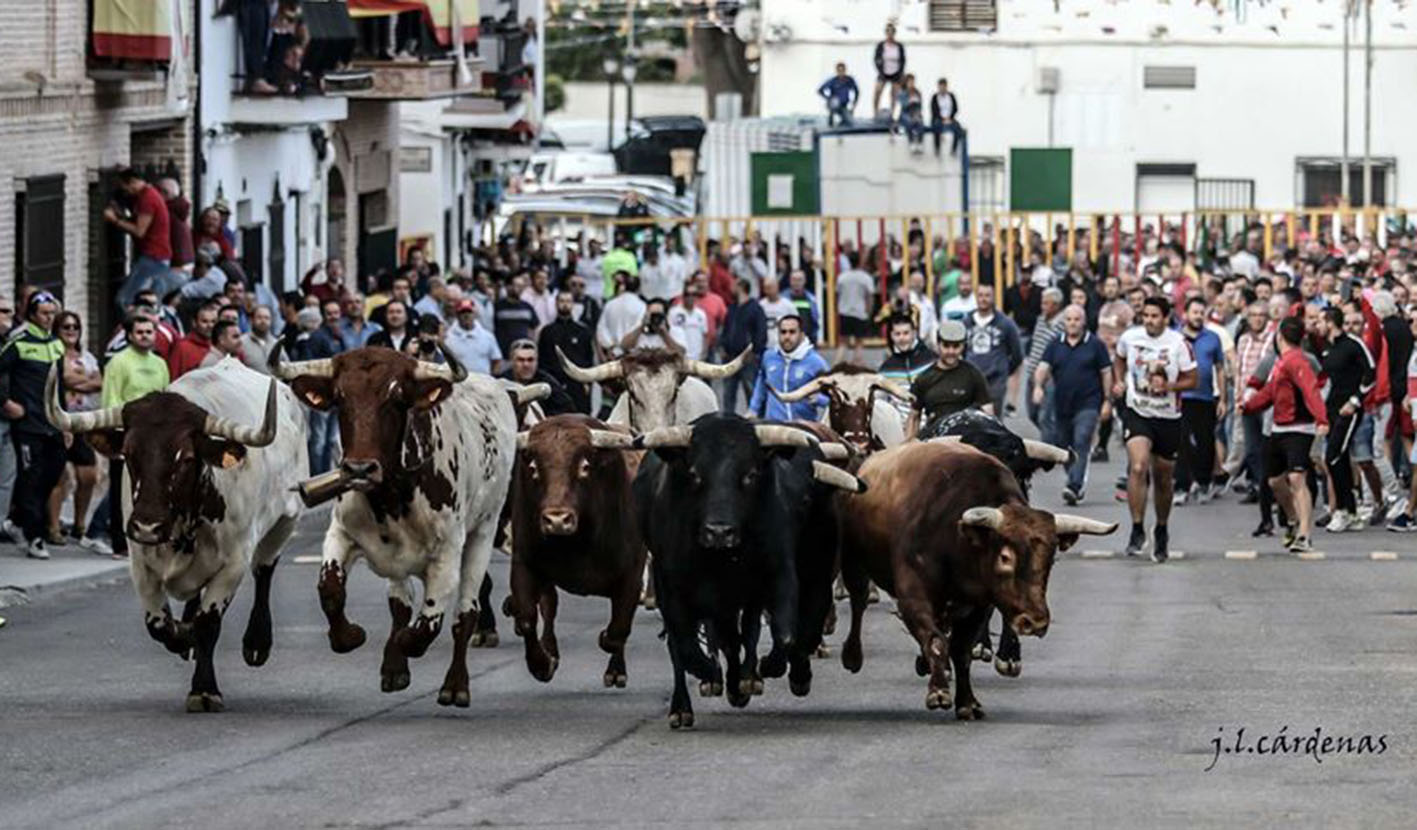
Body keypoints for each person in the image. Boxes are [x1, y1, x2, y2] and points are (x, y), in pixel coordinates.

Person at [1114, 296, 1199, 562]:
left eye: (1154, 316)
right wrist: (1119, 382)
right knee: (1138, 466)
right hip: (1138, 410)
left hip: (1168, 417)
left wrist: (1170, 387)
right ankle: (1137, 527)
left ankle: (1161, 528)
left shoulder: (1178, 344)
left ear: (1165, 318)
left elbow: (1193, 379)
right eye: (1146, 316)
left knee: (1163, 477)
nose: (1149, 321)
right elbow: (1119, 357)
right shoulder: (1131, 337)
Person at [1242, 316, 1329, 552]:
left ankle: (1304, 534)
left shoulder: (1298, 361)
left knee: (1297, 478)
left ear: (1279, 336)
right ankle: (1292, 520)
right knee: (1274, 481)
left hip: (1299, 428)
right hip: (1278, 428)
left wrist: (1321, 418)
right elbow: (1271, 391)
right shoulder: (1281, 362)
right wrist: (1249, 406)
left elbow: (1311, 390)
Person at [0, 292, 65, 559]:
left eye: (52, 313)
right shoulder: (18, 342)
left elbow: (59, 387)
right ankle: (34, 536)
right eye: (44, 313)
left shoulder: (56, 344)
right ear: (32, 315)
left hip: (53, 423)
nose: (49, 318)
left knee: (53, 473)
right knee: (30, 477)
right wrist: (5, 403)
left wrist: (66, 423)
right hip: (27, 425)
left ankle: (17, 519)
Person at [99, 314, 170, 559]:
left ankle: (147, 539)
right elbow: (111, 400)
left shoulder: (160, 363)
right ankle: (119, 543)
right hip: (128, 437)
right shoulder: (118, 362)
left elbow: (165, 399)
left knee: (152, 488)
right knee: (121, 490)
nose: (145, 336)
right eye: (139, 332)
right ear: (129, 335)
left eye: (149, 332)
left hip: (156, 441)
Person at [1034, 305, 1112, 504]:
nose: (1073, 323)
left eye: (1077, 319)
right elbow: (1043, 367)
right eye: (1069, 319)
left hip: (1089, 402)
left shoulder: (1095, 345)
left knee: (1082, 439)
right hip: (1062, 405)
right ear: (1064, 322)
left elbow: (1106, 373)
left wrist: (1107, 401)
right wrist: (1038, 386)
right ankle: (1074, 477)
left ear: (1083, 321)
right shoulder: (1055, 344)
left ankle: (1074, 484)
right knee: (1064, 446)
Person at [47, 312, 106, 552]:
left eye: (75, 327)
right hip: (61, 421)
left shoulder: (88, 356)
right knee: (60, 478)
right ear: (57, 330)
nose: (71, 330)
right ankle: (53, 527)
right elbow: (62, 378)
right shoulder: (54, 352)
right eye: (66, 327)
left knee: (88, 476)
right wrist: (84, 379)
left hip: (84, 422)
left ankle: (80, 524)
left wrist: (76, 380)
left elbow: (100, 381)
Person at [1319, 305, 1376, 533]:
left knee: (1332, 456)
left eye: (1321, 321)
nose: (1318, 326)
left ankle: (1342, 510)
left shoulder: (1353, 344)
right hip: (1331, 410)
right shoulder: (1327, 348)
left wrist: (1355, 400)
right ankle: (1350, 512)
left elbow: (1370, 372)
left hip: (1348, 410)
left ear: (1331, 322)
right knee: (1337, 459)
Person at [1174, 296, 1228, 504]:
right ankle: (1181, 486)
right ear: (1185, 314)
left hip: (1205, 397)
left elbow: (1220, 369)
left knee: (1205, 442)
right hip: (1180, 397)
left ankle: (1204, 482)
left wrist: (1223, 399)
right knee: (1181, 442)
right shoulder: (1175, 337)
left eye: (1201, 312)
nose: (1198, 316)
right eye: (1194, 312)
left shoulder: (1213, 338)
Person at [907, 320, 991, 439]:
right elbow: (914, 417)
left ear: (963, 346)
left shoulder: (973, 374)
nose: (951, 351)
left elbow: (988, 411)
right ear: (938, 344)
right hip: (934, 439)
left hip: (966, 440)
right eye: (946, 345)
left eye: (956, 346)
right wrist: (908, 447)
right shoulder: (924, 378)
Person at [105, 168, 172, 311]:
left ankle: (131, 329)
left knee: (125, 300)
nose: (125, 192)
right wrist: (122, 216)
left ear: (133, 182)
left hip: (153, 257)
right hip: (157, 258)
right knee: (148, 302)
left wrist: (115, 220)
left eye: (125, 187)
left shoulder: (147, 199)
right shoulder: (148, 196)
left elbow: (139, 230)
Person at [751, 314, 829, 422]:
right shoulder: (769, 357)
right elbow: (761, 385)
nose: (787, 336)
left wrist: (819, 399)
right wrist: (753, 409)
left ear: (801, 334)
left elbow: (835, 397)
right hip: (774, 427)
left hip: (803, 429)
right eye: (783, 332)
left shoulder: (816, 362)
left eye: (792, 332)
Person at [964, 282, 1023, 416]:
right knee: (970, 422)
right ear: (976, 297)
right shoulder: (966, 322)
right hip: (971, 381)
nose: (983, 299)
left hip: (995, 382)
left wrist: (1004, 369)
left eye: (987, 295)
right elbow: (961, 350)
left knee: (993, 424)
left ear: (993, 297)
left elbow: (1017, 354)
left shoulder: (1006, 323)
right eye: (980, 295)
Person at [537, 292, 594, 413]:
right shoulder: (547, 332)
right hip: (554, 384)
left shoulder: (583, 331)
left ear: (573, 304)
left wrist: (587, 383)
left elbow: (589, 360)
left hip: (577, 385)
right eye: (562, 301)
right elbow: (542, 361)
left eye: (568, 301)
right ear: (556, 303)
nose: (565, 304)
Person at [720, 278, 766, 414]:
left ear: (741, 287)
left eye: (734, 285)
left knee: (751, 393)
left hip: (748, 359)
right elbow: (726, 329)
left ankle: (756, 422)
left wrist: (754, 351)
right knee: (728, 394)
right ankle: (728, 421)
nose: (731, 288)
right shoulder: (732, 308)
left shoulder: (755, 308)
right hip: (730, 358)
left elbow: (761, 332)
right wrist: (723, 346)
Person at [498, 340, 576, 416]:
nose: (526, 365)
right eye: (520, 360)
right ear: (512, 361)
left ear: (537, 361)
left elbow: (567, 409)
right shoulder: (501, 383)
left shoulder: (547, 382)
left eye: (530, 360)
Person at [835, 252, 875, 364]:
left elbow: (837, 294)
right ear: (860, 261)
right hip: (859, 313)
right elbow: (869, 297)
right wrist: (869, 312)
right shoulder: (865, 278)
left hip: (844, 312)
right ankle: (857, 365)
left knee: (843, 342)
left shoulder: (842, 277)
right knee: (859, 343)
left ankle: (836, 364)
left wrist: (837, 309)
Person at [596, 273, 647, 358]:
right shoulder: (642, 306)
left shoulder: (610, 304)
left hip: (612, 354)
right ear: (639, 288)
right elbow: (638, 328)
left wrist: (611, 347)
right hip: (631, 354)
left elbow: (601, 328)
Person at [446, 299, 501, 376]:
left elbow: (496, 360)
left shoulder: (488, 336)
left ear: (474, 314)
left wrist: (492, 379)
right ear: (457, 315)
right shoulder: (448, 338)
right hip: (460, 384)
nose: (466, 315)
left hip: (483, 383)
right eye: (463, 312)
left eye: (469, 312)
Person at [879, 313, 935, 388]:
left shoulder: (931, 360)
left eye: (906, 333)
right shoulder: (886, 369)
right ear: (891, 336)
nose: (902, 338)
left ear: (914, 334)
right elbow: (880, 397)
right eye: (897, 334)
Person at [167, 303, 218, 380]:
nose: (210, 325)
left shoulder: (220, 345)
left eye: (213, 322)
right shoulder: (182, 347)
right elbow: (173, 378)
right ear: (194, 323)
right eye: (204, 321)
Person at [494, 274, 540, 356]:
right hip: (503, 355)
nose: (520, 289)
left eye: (522, 286)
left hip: (523, 355)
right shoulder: (497, 306)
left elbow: (535, 328)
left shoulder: (528, 307)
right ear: (508, 287)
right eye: (517, 285)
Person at [667, 282, 710, 362]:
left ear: (697, 296)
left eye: (694, 294)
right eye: (687, 294)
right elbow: (669, 334)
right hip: (679, 357)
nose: (690, 297)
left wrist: (703, 354)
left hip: (697, 359)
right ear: (683, 296)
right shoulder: (673, 312)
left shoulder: (701, 314)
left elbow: (705, 335)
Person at [872, 23, 906, 119]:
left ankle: (892, 113)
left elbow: (903, 60)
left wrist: (901, 72)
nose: (890, 35)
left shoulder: (899, 46)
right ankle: (875, 112)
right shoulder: (881, 45)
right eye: (888, 32)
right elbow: (876, 58)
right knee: (878, 90)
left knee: (894, 93)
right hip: (883, 72)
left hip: (895, 72)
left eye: (892, 32)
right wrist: (880, 69)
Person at [929, 77, 963, 157]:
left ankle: (954, 149)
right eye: (941, 86)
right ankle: (937, 148)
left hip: (950, 118)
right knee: (936, 126)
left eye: (944, 86)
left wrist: (950, 118)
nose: (942, 88)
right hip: (939, 118)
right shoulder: (935, 97)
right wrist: (942, 119)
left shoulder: (951, 96)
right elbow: (933, 110)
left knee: (958, 128)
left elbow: (955, 108)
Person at [240, 305, 279, 374]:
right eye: (259, 317)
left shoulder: (276, 343)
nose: (263, 321)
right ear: (251, 320)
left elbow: (286, 366)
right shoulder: (241, 342)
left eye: (267, 318)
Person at [818, 62, 859, 127]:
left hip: (843, 106)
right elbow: (820, 90)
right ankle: (830, 123)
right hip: (834, 104)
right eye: (839, 71)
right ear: (836, 71)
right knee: (834, 104)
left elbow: (857, 91)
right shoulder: (833, 81)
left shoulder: (849, 80)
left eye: (842, 70)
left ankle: (842, 121)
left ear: (845, 70)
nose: (841, 73)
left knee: (850, 122)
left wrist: (854, 105)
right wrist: (828, 98)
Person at [758, 275, 797, 339]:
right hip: (766, 343)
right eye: (766, 288)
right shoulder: (760, 305)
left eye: (770, 287)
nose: (768, 291)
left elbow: (796, 324)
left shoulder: (788, 305)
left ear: (777, 287)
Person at [897, 74, 925, 151]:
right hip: (905, 113)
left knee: (920, 121)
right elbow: (903, 105)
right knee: (909, 120)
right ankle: (911, 141)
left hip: (915, 112)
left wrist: (917, 114)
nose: (912, 83)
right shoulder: (902, 93)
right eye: (910, 82)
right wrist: (910, 101)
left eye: (913, 82)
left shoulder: (917, 92)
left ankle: (920, 142)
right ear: (906, 82)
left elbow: (920, 106)